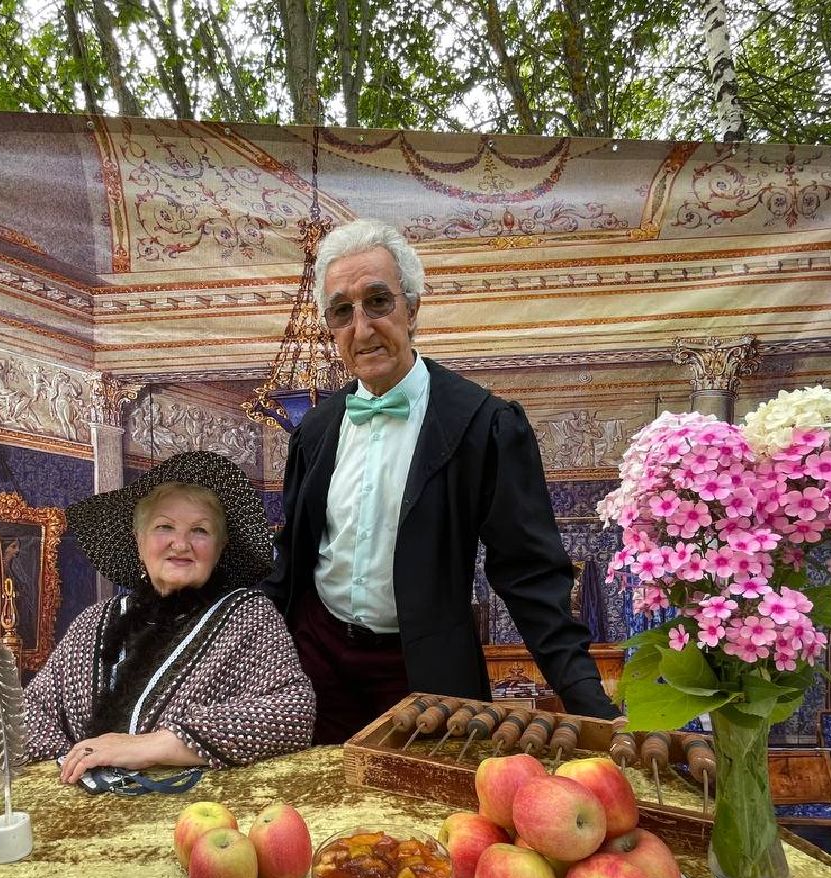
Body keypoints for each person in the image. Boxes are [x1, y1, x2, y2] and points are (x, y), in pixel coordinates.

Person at [261, 219, 620, 744]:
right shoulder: (314, 428)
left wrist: (589, 702)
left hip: (424, 679)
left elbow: (529, 576)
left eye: (377, 302)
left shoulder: (484, 424)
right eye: (342, 311)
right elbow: (291, 561)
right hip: (315, 667)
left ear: (412, 308)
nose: (361, 328)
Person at [0, 451, 315, 798]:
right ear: (138, 544)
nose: (181, 543)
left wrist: (152, 744)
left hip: (194, 830)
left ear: (220, 549)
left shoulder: (248, 616)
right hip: (78, 841)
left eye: (200, 531)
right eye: (165, 527)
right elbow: (38, 723)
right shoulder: (93, 624)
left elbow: (293, 711)